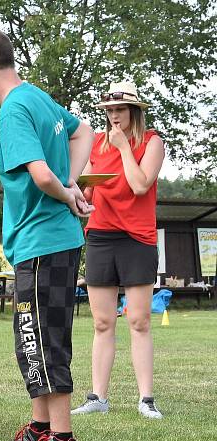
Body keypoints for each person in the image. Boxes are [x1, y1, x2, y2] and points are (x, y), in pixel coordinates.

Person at [0, 26, 94, 441]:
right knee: (35, 337)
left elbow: (39, 176)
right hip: (55, 242)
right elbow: (85, 132)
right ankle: (40, 430)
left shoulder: (14, 108)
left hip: (41, 242)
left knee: (42, 341)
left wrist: (64, 190)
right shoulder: (37, 96)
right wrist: (73, 182)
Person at [71, 82, 165, 419]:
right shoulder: (95, 142)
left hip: (137, 239)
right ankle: (97, 397)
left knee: (138, 321)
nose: (113, 117)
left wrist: (124, 147)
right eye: (109, 111)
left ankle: (146, 400)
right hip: (100, 236)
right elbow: (85, 188)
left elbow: (141, 185)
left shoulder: (152, 142)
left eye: (119, 111)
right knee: (102, 322)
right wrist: (81, 191)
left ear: (134, 112)